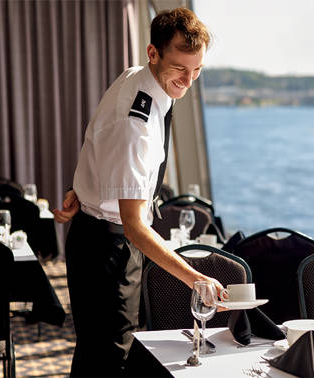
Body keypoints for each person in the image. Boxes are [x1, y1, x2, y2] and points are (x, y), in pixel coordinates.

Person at [53, 8, 224, 376]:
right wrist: (196, 279)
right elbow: (133, 225)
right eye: (180, 67)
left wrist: (82, 187)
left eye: (197, 70)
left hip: (99, 232)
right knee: (111, 358)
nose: (188, 80)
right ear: (153, 52)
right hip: (108, 247)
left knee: (97, 354)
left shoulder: (141, 78)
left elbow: (97, 140)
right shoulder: (137, 126)